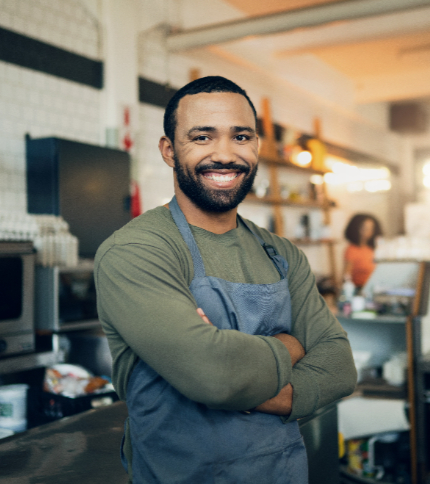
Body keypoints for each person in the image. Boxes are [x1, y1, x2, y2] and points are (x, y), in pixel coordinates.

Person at [94, 76, 357, 484]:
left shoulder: (282, 253)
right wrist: (292, 344)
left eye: (241, 137)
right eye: (202, 137)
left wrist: (246, 384)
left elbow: (339, 365)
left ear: (256, 147)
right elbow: (215, 375)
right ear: (169, 150)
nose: (225, 154)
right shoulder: (136, 251)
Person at [343, 213, 383, 289]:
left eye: (371, 229)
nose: (368, 232)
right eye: (365, 228)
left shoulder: (372, 249)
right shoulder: (351, 250)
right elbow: (346, 275)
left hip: (374, 286)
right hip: (359, 288)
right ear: (357, 229)